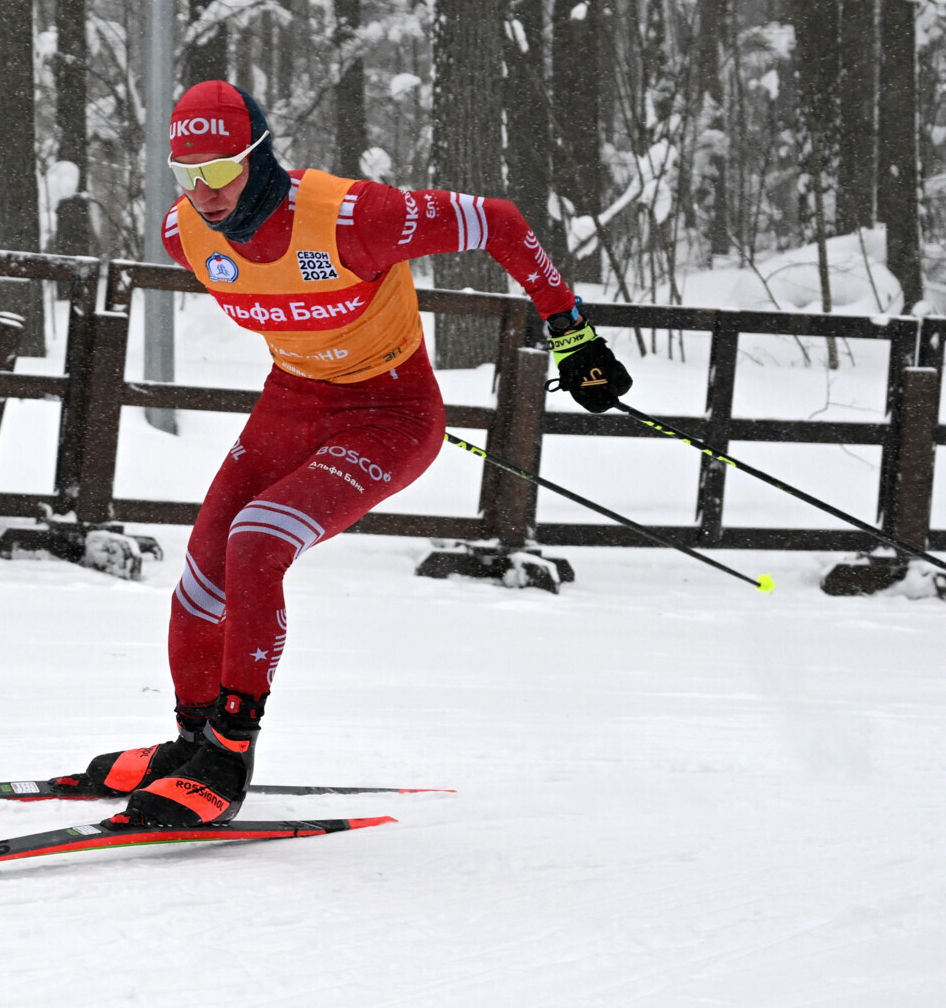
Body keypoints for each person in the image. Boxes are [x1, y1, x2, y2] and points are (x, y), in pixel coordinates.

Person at [83, 80, 632, 827]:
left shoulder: (353, 219)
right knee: (206, 561)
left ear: (258, 155)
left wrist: (571, 331)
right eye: (187, 172)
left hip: (390, 416)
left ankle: (231, 752)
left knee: (257, 541)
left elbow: (500, 221)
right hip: (293, 402)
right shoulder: (186, 235)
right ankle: (192, 742)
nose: (203, 191)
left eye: (219, 169)